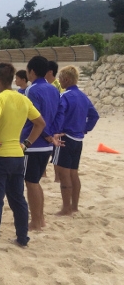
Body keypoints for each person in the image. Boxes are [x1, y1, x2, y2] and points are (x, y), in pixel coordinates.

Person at [0, 63, 46, 252]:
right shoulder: (22, 99)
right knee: (18, 199)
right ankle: (22, 237)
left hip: (0, 156)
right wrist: (27, 143)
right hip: (18, 155)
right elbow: (40, 123)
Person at [51, 65, 99, 216]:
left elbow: (59, 115)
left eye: (60, 79)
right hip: (78, 138)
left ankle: (66, 208)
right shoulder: (83, 96)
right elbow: (94, 115)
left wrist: (55, 132)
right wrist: (84, 128)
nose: (59, 81)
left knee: (63, 174)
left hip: (65, 137)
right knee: (74, 173)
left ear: (66, 79)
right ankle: (74, 206)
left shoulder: (65, 96)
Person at [22, 56, 61, 231]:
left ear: (32, 71)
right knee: (35, 181)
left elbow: (35, 116)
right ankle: (41, 218)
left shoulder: (32, 90)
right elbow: (59, 113)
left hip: (35, 142)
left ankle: (36, 221)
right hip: (47, 143)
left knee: (31, 183)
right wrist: (52, 133)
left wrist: (45, 133)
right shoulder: (53, 89)